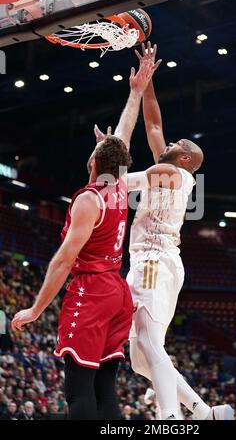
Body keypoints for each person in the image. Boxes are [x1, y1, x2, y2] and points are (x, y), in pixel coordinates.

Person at [11, 60, 155, 420]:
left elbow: (62, 261)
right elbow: (122, 137)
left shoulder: (90, 199)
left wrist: (36, 309)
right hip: (117, 292)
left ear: (94, 159)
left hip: (91, 293)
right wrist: (135, 92)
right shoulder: (119, 185)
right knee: (106, 392)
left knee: (78, 394)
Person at [125, 42, 234, 420]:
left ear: (186, 158)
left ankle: (170, 419)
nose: (171, 142)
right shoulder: (170, 168)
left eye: (179, 144)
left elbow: (124, 183)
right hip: (157, 261)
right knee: (141, 362)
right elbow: (153, 124)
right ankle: (204, 411)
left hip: (154, 260)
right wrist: (147, 81)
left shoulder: (178, 173)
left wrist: (107, 179)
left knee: (148, 341)